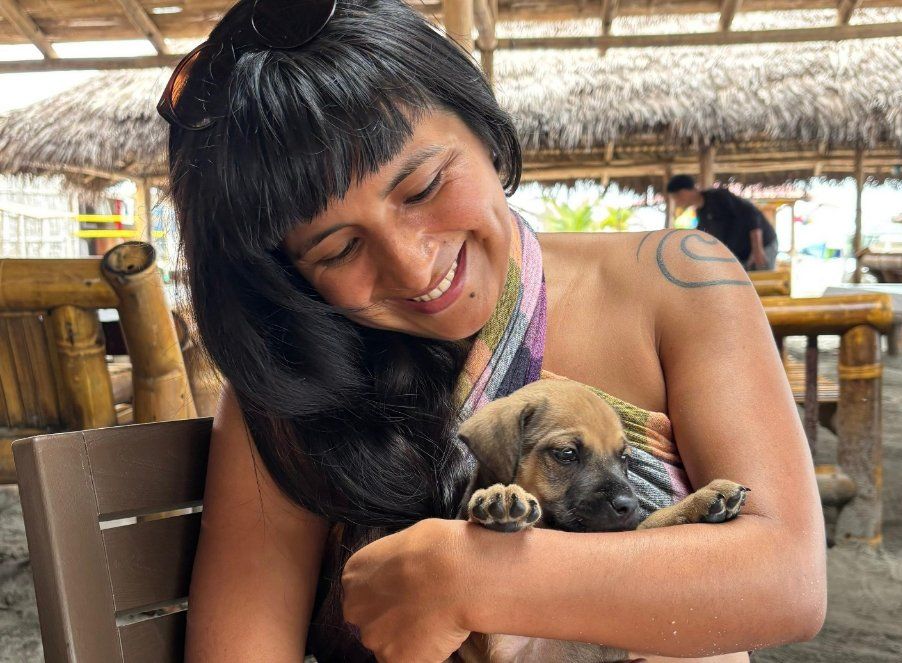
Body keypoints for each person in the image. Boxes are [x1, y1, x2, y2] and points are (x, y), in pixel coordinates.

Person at [164, 0, 825, 660]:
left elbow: (786, 580)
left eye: (424, 187)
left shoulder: (673, 283)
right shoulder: (295, 382)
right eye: (339, 250)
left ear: (482, 124)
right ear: (288, 274)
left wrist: (469, 578)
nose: (413, 265)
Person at [666, 175, 779, 271]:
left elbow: (751, 213)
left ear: (684, 192)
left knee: (763, 283)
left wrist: (757, 249)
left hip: (763, 245)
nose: (676, 202)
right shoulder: (701, 213)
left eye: (676, 197)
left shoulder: (718, 197)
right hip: (742, 254)